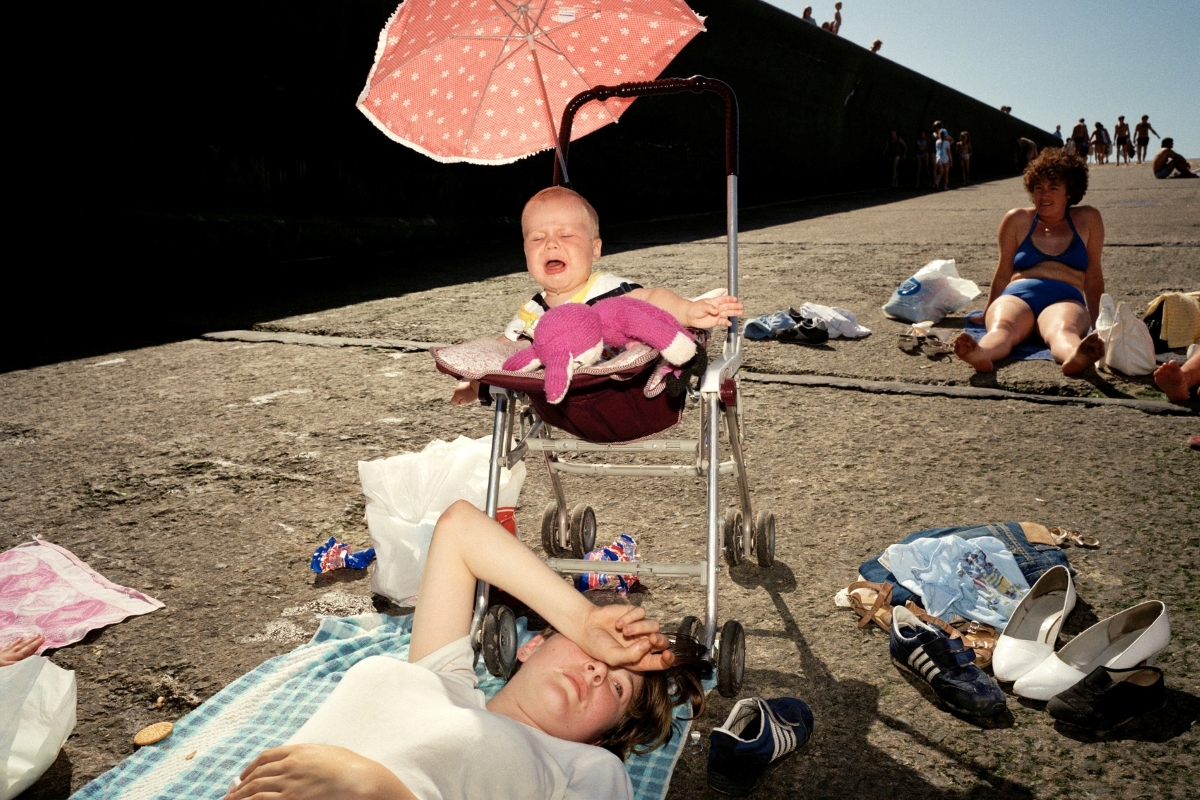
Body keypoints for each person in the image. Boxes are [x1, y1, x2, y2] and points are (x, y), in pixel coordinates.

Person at [226, 501, 706, 800]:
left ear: (603, 735)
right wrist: (582, 619)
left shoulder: (584, 767)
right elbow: (458, 528)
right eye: (588, 652)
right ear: (533, 644)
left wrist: (377, 790)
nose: (598, 672)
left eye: (618, 687)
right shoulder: (442, 676)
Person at [450, 187, 742, 404]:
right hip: (563, 399)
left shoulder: (607, 289)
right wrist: (475, 382)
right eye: (537, 238)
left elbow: (651, 300)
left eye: (566, 236)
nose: (551, 245)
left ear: (595, 249)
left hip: (625, 391)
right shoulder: (532, 312)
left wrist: (688, 310)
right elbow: (504, 354)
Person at [954, 149, 1106, 376]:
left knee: (1063, 329)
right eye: (1038, 188)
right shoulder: (1017, 219)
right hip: (1017, 295)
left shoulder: (1088, 219)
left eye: (1053, 188)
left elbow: (1093, 275)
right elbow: (1004, 270)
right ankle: (981, 353)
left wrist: (1099, 322)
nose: (1044, 195)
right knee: (1001, 327)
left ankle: (1076, 354)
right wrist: (988, 310)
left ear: (1070, 192)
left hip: (1065, 298)